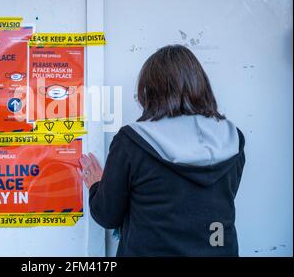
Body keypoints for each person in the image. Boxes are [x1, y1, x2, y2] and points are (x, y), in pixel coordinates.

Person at [78, 45, 245, 256]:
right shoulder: (232, 138)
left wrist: (96, 185)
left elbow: (108, 215)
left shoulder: (133, 141)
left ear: (149, 92)